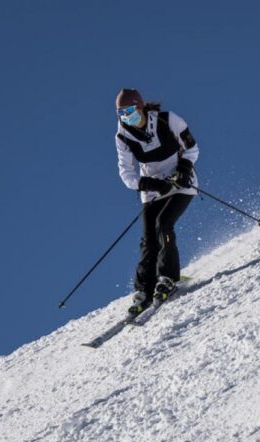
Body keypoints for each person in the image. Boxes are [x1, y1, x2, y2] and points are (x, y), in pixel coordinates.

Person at [114, 88, 199, 315]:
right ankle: (144, 290)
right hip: (153, 188)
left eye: (129, 111)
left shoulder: (168, 120)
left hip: (180, 182)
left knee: (164, 223)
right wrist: (148, 184)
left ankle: (167, 278)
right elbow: (126, 174)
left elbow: (192, 148)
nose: (126, 117)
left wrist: (184, 168)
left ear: (140, 107)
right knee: (149, 239)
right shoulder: (123, 136)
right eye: (121, 113)